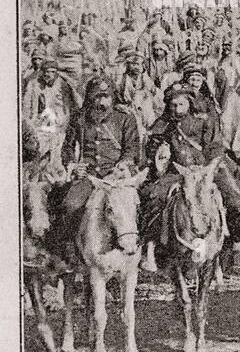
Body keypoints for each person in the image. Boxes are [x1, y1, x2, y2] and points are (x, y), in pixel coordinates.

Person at [138, 80, 225, 271]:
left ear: (189, 102)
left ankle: (224, 243)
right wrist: (159, 154)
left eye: (181, 104)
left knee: (232, 199)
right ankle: (150, 244)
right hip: (175, 173)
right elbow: (152, 150)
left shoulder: (204, 120)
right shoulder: (163, 124)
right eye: (173, 105)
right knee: (154, 197)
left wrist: (210, 167)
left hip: (203, 171)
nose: (177, 109)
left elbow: (216, 147)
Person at [51, 76, 141, 245]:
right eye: (97, 96)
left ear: (112, 97)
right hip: (90, 177)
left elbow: (132, 148)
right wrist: (74, 166)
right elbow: (67, 148)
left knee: (134, 207)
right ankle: (70, 251)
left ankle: (139, 247)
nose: (101, 102)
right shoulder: (79, 119)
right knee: (70, 205)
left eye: (105, 96)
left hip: (117, 177)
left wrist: (122, 165)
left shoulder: (125, 118)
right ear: (90, 97)